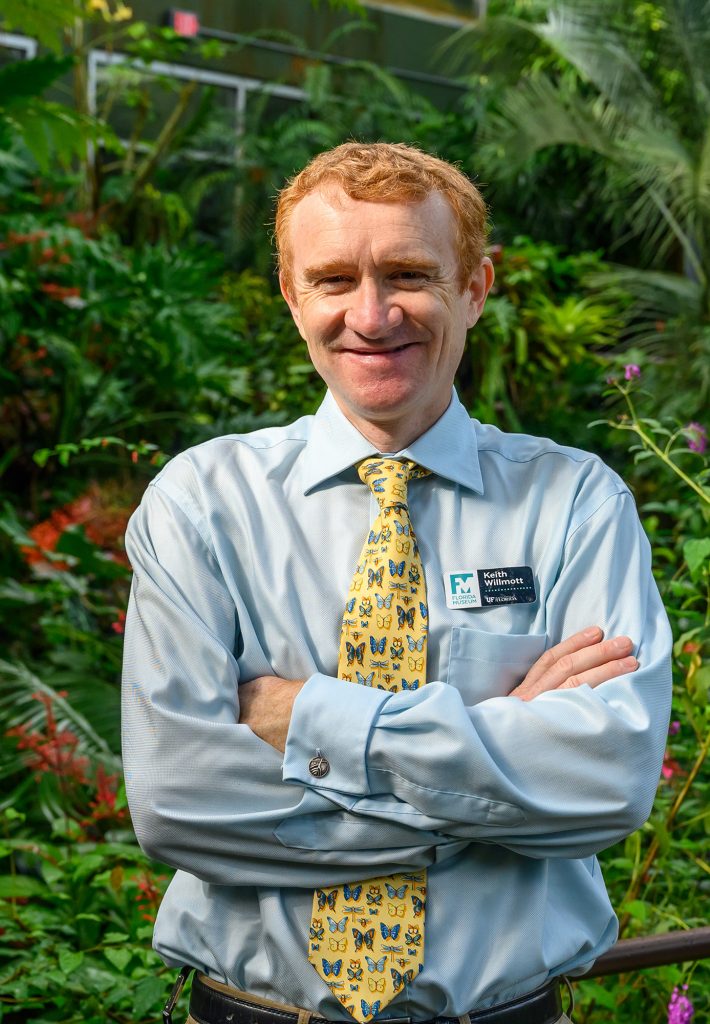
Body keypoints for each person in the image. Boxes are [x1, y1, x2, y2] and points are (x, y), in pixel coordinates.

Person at [121, 142, 671, 1024]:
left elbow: (604, 782)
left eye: (409, 273)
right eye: (334, 279)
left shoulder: (575, 504)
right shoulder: (201, 505)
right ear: (292, 296)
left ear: (476, 288)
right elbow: (181, 801)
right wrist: (497, 771)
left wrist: (307, 718)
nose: (372, 316)